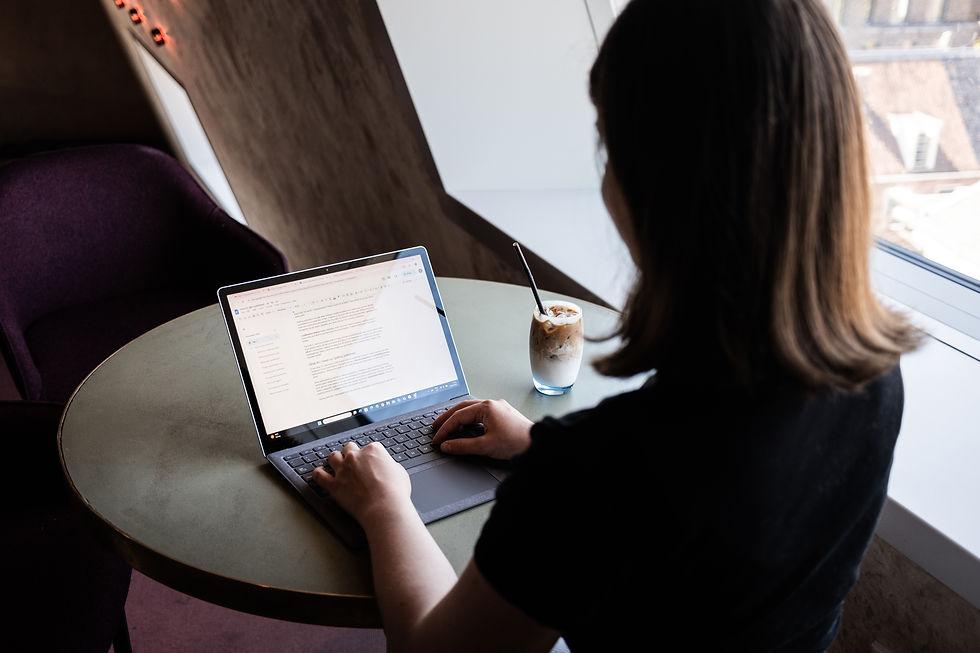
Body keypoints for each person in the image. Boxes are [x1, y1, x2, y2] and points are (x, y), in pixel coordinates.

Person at [312, 1, 920, 650]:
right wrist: (541, 446)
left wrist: (385, 506)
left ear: (662, 190)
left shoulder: (597, 475)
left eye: (608, 143)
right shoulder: (877, 380)